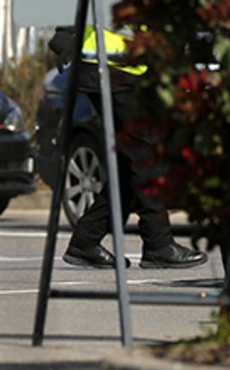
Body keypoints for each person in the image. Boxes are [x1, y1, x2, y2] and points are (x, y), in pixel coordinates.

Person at [49, 24, 208, 270]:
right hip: (111, 67)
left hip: (123, 67)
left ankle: (86, 241)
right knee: (145, 155)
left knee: (130, 162)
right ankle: (158, 244)